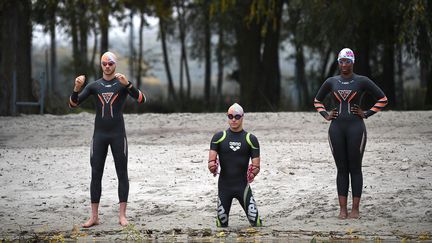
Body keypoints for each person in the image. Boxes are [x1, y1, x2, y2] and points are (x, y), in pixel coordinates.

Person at [69, 51, 146, 227]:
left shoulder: (122, 85)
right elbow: (73, 104)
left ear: (115, 64)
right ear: (100, 65)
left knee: (122, 173)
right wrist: (76, 88)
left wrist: (128, 85)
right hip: (100, 136)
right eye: (104, 63)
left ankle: (122, 216)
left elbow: (142, 99)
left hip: (118, 135)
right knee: (96, 174)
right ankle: (94, 217)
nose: (107, 66)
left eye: (110, 63)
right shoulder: (94, 86)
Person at [313, 48, 388, 219]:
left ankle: (355, 209)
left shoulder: (362, 81)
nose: (344, 64)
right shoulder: (331, 81)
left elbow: (383, 99)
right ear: (338, 63)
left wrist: (367, 113)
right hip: (336, 129)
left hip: (356, 128)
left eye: (347, 61)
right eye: (341, 61)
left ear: (352, 62)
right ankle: (342, 210)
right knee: (341, 169)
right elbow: (317, 100)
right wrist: (325, 115)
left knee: (355, 168)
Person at [208, 103, 263, 227]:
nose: (233, 119)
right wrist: (213, 167)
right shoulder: (218, 137)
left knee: (257, 225)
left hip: (243, 187)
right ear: (227, 117)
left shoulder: (251, 139)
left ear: (242, 117)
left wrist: (253, 172)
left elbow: (256, 165)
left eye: (237, 117)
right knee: (221, 228)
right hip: (224, 187)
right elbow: (211, 162)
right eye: (230, 116)